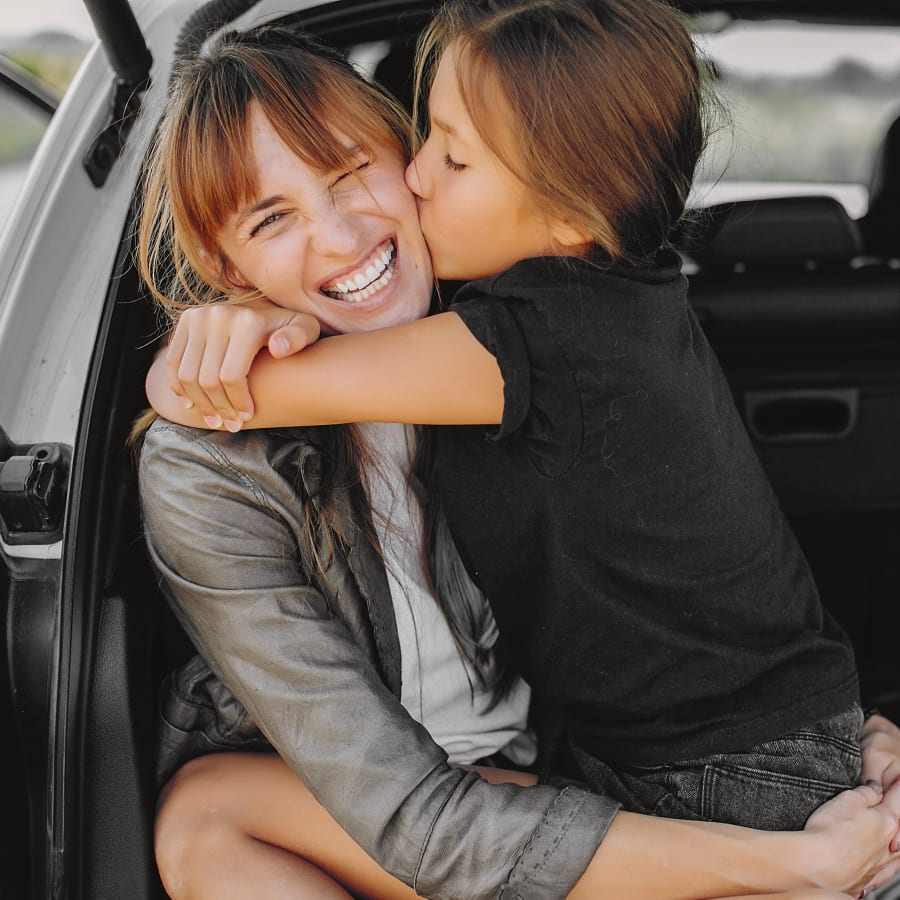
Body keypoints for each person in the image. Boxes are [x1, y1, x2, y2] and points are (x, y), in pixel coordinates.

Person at [139, 17, 900, 900]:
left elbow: (213, 398)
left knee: (206, 806)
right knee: (203, 811)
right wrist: (822, 795)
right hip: (494, 803)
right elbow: (416, 810)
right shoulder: (218, 475)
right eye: (272, 218)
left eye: (360, 169)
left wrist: (189, 365)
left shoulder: (518, 331)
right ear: (215, 257)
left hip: (622, 784)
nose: (347, 237)